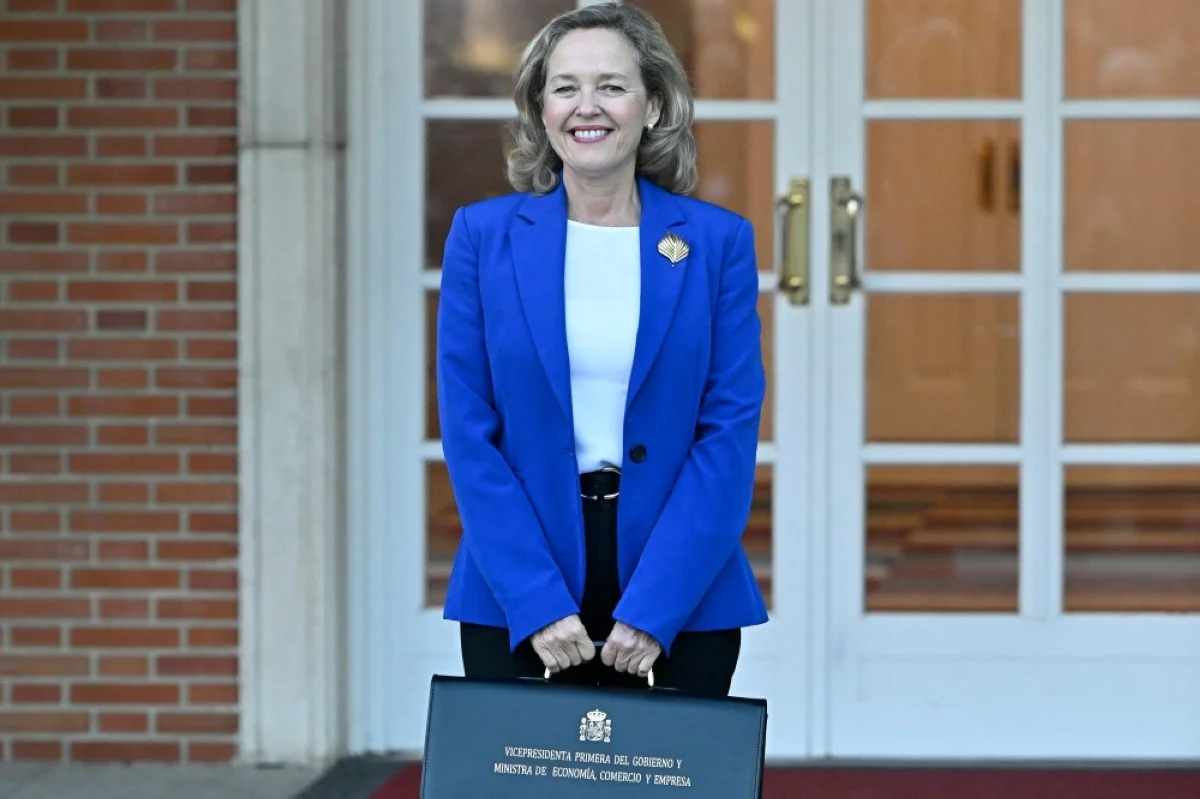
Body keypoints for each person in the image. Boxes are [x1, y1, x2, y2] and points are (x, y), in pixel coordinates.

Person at [436, 1, 768, 698]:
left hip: (679, 584)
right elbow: (469, 433)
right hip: (520, 583)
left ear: (653, 106)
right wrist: (535, 600)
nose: (587, 107)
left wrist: (655, 608)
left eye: (611, 86)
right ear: (542, 109)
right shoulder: (481, 238)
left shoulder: (717, 244)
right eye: (565, 87)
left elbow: (727, 433)